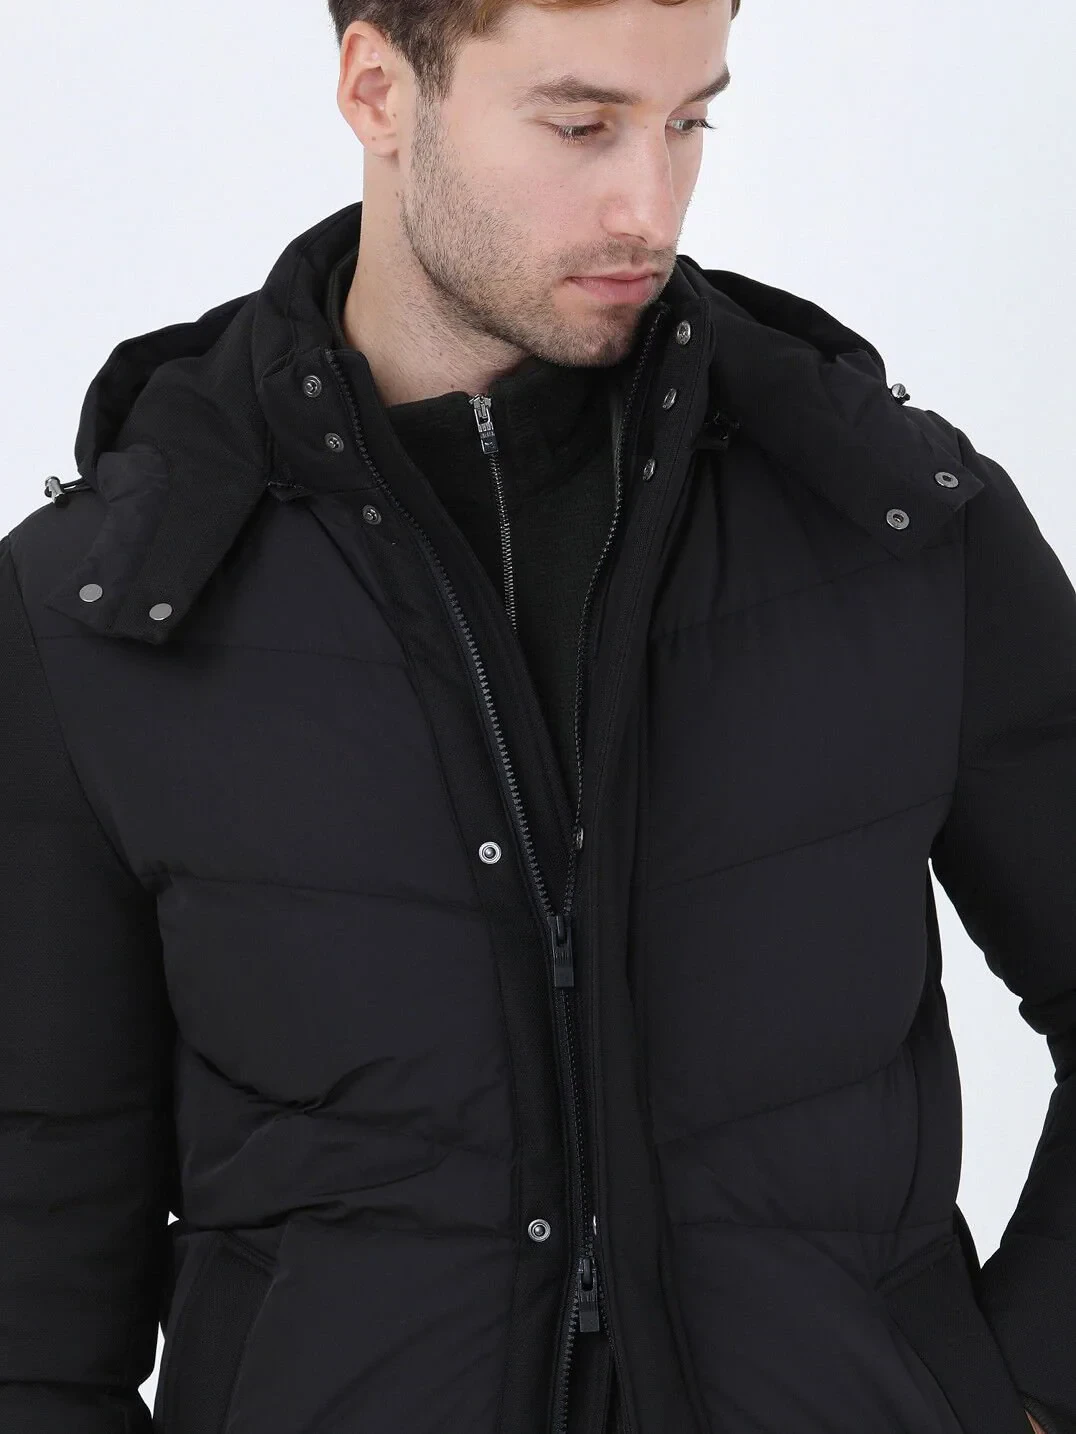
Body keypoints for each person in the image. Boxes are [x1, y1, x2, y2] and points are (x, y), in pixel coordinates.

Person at [0, 0, 1069, 1430]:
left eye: (689, 120)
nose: (651, 206)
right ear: (379, 89)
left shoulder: (895, 526)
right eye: (581, 125)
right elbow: (36, 1246)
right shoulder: (111, 604)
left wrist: (1027, 1389)